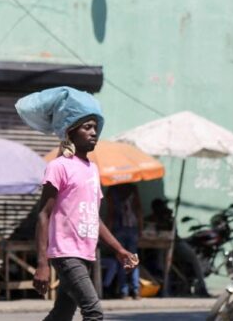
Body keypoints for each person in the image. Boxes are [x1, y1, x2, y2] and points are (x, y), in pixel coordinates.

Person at [17, 87, 139, 321]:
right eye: (87, 127)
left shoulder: (92, 169)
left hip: (85, 253)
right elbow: (43, 215)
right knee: (93, 312)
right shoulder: (59, 166)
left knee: (62, 313)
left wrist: (119, 250)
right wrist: (42, 264)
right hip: (65, 253)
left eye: (95, 127)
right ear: (70, 132)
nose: (94, 133)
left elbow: (94, 217)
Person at [105, 184, 143, 299]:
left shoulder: (112, 190)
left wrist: (108, 233)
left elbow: (110, 213)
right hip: (132, 228)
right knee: (132, 258)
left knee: (122, 260)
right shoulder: (133, 188)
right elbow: (138, 209)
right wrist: (140, 228)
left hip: (118, 229)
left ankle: (124, 291)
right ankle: (136, 290)